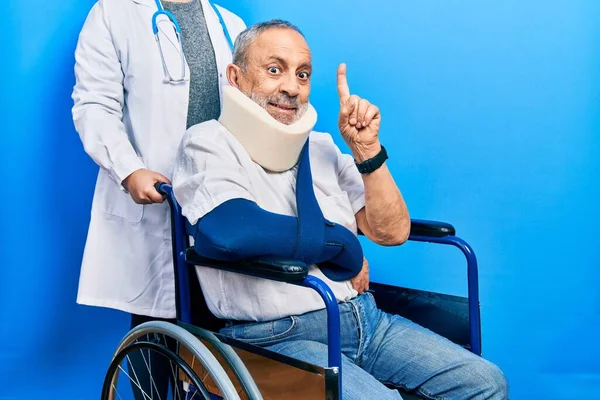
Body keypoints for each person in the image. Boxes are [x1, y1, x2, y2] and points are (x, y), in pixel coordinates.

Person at [172, 20, 509, 399]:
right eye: (274, 69)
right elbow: (231, 231)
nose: (291, 87)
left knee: (484, 383)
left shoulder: (322, 146)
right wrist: (340, 244)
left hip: (365, 318)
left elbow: (391, 232)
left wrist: (368, 153)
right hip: (276, 335)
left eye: (303, 74)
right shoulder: (208, 143)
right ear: (235, 76)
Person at [71, 0, 245, 397]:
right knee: (156, 339)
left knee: (221, 350)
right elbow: (94, 104)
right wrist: (129, 169)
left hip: (221, 205)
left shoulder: (230, 24)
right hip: (159, 203)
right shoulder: (113, 13)